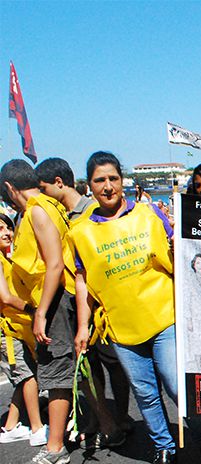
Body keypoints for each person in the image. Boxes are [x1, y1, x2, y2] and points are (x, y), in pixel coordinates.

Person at [68, 151, 201, 464]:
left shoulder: (150, 214)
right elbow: (82, 281)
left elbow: (177, 250)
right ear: (89, 186)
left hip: (164, 317)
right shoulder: (79, 232)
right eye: (100, 180)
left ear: (122, 181)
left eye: (113, 178)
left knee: (177, 386)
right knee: (145, 393)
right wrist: (82, 326)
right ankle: (163, 447)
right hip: (122, 328)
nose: (108, 187)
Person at [36, 157, 130, 447]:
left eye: (43, 189)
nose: (41, 195)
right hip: (77, 303)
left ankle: (120, 418)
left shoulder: (91, 212)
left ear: (60, 183)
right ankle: (102, 417)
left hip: (99, 303)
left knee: (113, 363)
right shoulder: (62, 214)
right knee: (89, 364)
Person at [1, 159, 75, 464]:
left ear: (8, 188)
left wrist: (40, 312)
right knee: (66, 371)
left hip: (54, 303)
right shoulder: (44, 207)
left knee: (56, 372)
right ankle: (107, 425)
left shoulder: (37, 211)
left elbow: (54, 265)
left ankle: (55, 448)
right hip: (53, 301)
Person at [0, 213, 46, 446]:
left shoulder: (5, 257)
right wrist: (34, 309)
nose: (6, 232)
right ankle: (38, 428)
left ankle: (10, 426)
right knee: (28, 377)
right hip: (8, 330)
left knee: (23, 376)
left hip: (16, 328)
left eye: (8, 227)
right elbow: (6, 297)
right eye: (0, 229)